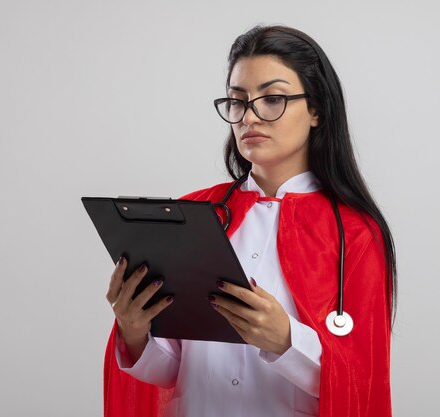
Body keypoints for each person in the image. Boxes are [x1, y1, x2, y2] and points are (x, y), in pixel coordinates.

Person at [103, 25, 397, 417]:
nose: (250, 117)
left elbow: (361, 383)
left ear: (316, 110)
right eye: (239, 101)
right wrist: (134, 331)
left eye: (272, 98)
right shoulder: (195, 214)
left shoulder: (355, 233)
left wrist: (286, 341)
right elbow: (172, 368)